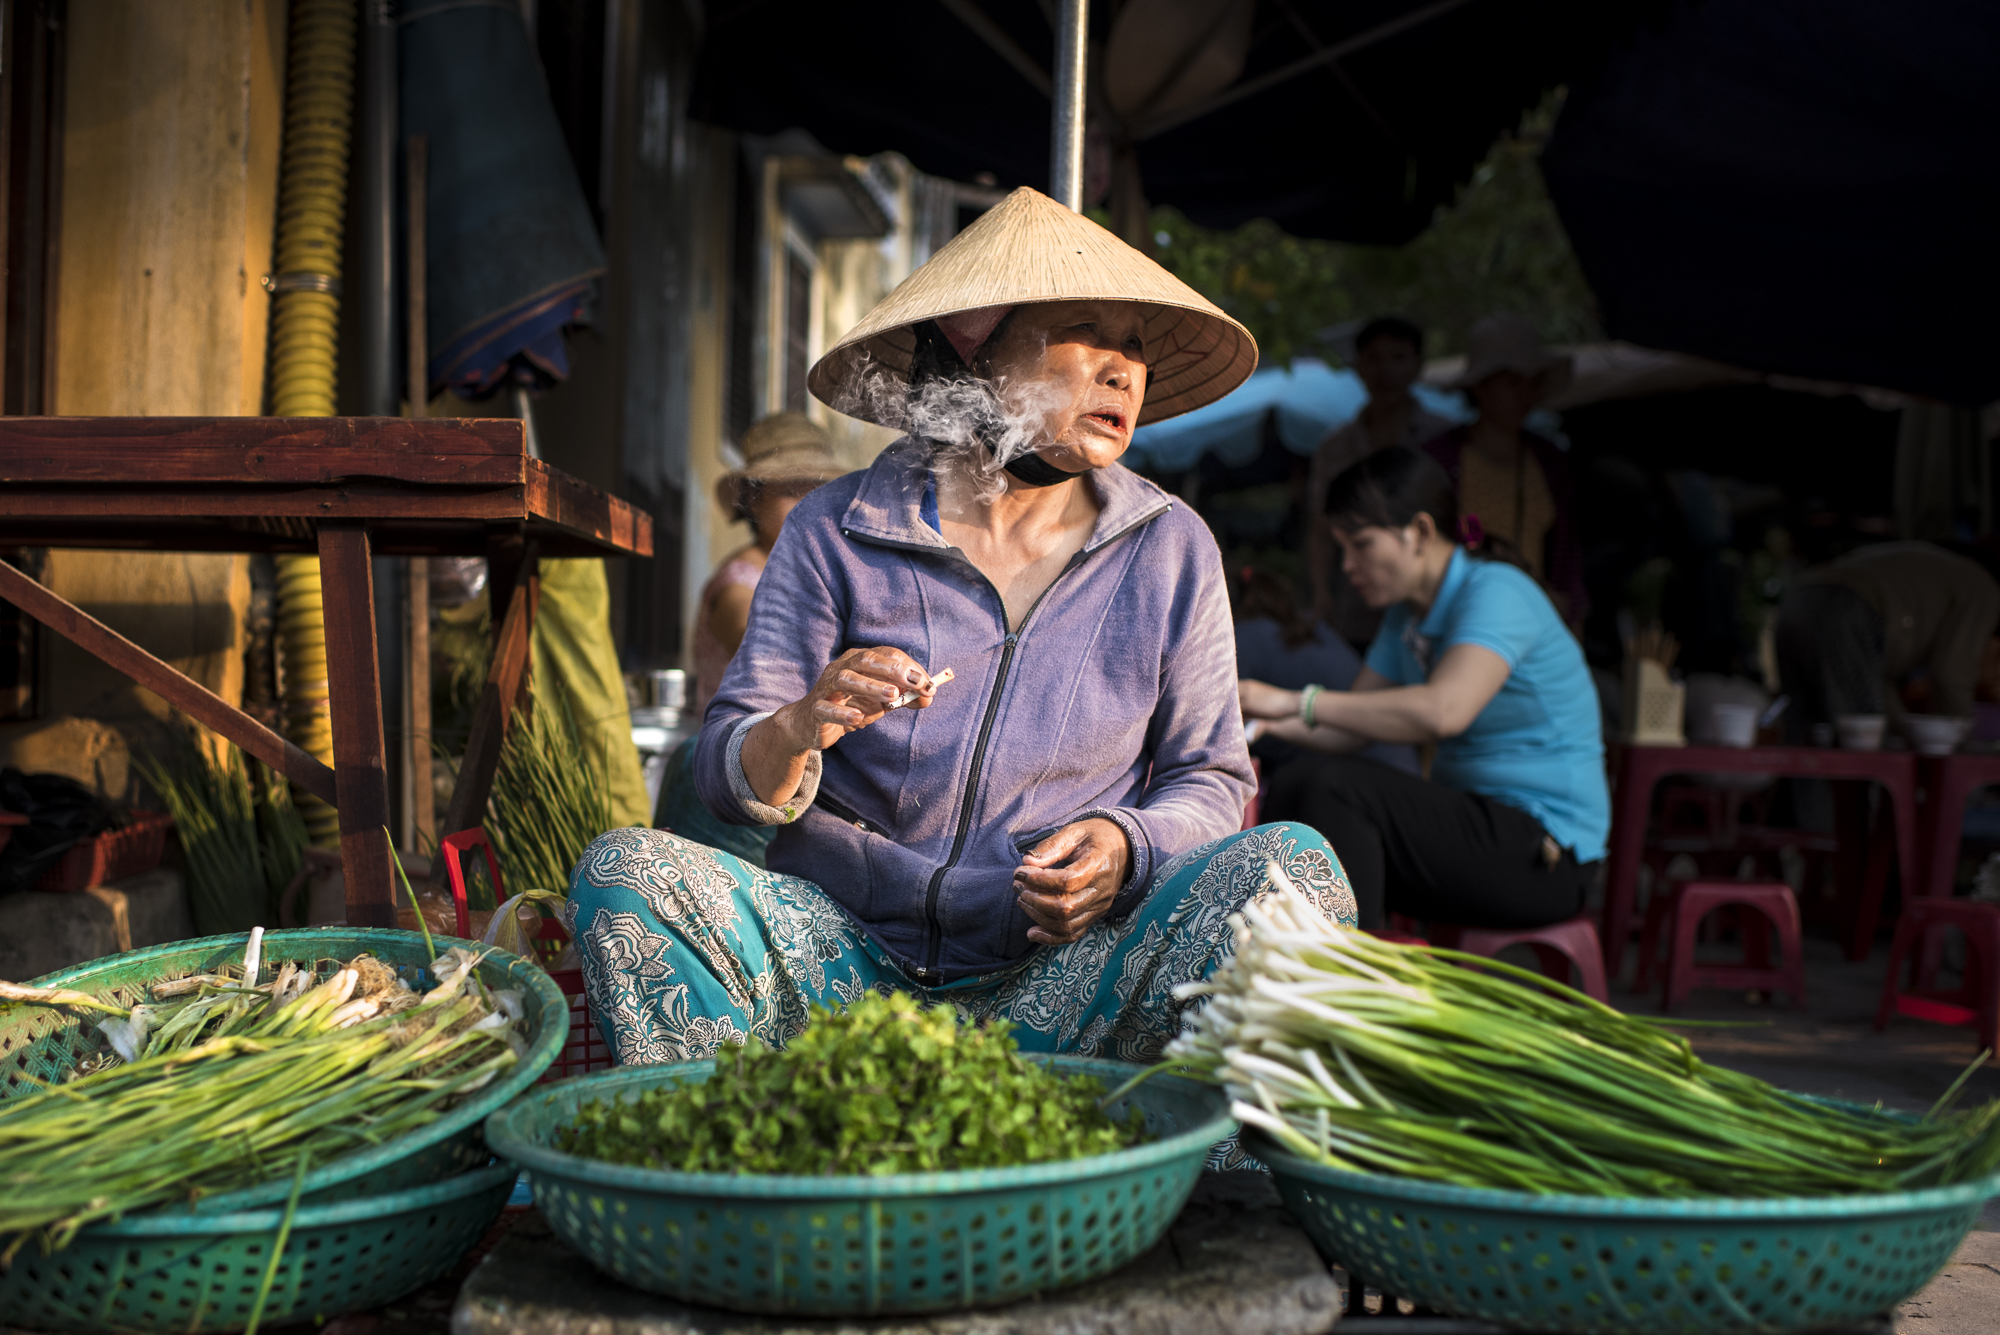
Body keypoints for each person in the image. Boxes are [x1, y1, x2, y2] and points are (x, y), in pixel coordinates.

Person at [569, 187, 1355, 1076]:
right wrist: (798, 724)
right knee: (625, 874)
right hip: (836, 968)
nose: (1124, 370)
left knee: (1294, 870)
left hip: (1061, 984)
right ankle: (761, 1146)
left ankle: (1160, 1161)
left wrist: (1125, 848)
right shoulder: (837, 527)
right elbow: (722, 769)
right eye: (1085, 331)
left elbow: (1210, 778)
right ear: (975, 349)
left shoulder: (1170, 548)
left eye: (1134, 343)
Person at [1243, 447, 1607, 932]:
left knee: (1334, 789)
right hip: (1480, 834)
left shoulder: (1497, 592)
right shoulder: (1406, 618)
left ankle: (1345, 966)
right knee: (1294, 790)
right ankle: (1291, 958)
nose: (1347, 566)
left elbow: (1443, 712)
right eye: (1342, 549)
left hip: (1547, 854)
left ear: (1419, 531)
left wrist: (1293, 699)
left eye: (1361, 545)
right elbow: (1351, 726)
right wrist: (1263, 722)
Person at [652, 413, 847, 865]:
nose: (809, 502)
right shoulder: (739, 585)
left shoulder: (822, 577)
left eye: (818, 488)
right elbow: (770, 646)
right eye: (792, 489)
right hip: (733, 775)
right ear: (754, 499)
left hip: (793, 774)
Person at [1422, 315, 1587, 622]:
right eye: (1513, 382)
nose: (1525, 394)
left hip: (1532, 619)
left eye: (1533, 383)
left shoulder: (1549, 461)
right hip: (1456, 617)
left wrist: (1571, 616)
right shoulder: (1440, 459)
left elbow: (1566, 557)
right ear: (1480, 386)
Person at [1306, 316, 1455, 648]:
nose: (1385, 370)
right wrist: (1321, 593)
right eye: (1374, 359)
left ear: (1418, 365)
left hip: (1432, 603)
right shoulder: (1335, 446)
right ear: (1358, 367)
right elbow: (1320, 527)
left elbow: (1466, 518)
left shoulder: (1445, 439)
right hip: (1357, 611)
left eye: (1398, 357)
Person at [1776, 541, 2000, 744]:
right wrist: (1963, 748)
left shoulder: (1941, 573)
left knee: (1805, 736)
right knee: (1861, 746)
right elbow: (1952, 674)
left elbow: (1875, 683)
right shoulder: (1984, 587)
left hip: (1798, 601)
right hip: (1847, 605)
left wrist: (1904, 733)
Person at [1232, 565, 1417, 776]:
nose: (1347, 565)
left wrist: (1290, 702)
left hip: (1367, 773)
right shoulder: (1310, 623)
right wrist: (1269, 723)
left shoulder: (1243, 637)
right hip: (1402, 767)